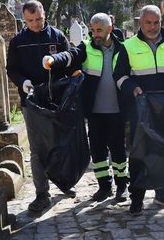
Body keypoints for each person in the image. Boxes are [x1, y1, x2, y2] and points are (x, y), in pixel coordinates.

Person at [43, 13, 129, 204]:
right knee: (97, 150)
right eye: (92, 30)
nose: (95, 34)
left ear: (110, 30)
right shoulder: (87, 47)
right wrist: (53, 59)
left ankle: (122, 185)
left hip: (118, 110)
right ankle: (104, 186)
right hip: (95, 111)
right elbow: (70, 55)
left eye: (99, 30)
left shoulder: (123, 49)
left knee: (118, 150)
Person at [114, 5, 164, 214]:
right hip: (140, 109)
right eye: (148, 22)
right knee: (139, 152)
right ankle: (136, 198)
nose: (152, 27)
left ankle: (162, 193)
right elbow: (119, 76)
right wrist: (133, 88)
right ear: (140, 22)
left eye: (156, 22)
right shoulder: (128, 46)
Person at [6, 0, 72, 214]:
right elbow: (12, 69)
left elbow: (70, 62)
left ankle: (64, 181)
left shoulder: (58, 37)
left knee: (60, 143)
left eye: (39, 19)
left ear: (45, 14)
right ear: (25, 20)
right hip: (31, 101)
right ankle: (42, 193)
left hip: (56, 99)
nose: (35, 24)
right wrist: (22, 81)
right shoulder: (18, 42)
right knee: (37, 149)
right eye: (30, 20)